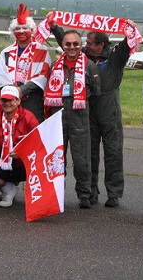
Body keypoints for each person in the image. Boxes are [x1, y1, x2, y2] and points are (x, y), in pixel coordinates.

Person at [44, 29, 100, 209]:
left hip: (79, 118)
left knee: (81, 160)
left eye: (75, 44)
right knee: (58, 159)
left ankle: (84, 194)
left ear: (81, 45)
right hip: (58, 116)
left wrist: (80, 98)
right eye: (68, 44)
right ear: (63, 46)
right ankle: (57, 193)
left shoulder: (89, 65)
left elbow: (96, 91)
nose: (72, 47)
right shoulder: (55, 65)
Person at [83, 26, 137, 208]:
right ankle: (91, 191)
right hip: (89, 108)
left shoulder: (115, 56)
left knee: (113, 152)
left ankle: (113, 193)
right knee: (90, 152)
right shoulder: (84, 55)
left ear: (101, 45)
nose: (86, 46)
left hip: (109, 109)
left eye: (90, 43)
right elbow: (66, 44)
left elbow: (129, 43)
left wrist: (130, 28)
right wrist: (55, 28)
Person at [0, 86, 39, 207]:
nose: (7, 103)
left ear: (18, 101)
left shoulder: (29, 118)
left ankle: (35, 195)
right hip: (3, 165)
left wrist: (23, 152)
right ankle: (8, 189)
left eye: (11, 100)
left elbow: (38, 144)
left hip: (24, 165)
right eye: (4, 100)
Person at [0, 4, 52, 122]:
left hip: (32, 100)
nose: (21, 31)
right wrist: (13, 90)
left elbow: (43, 76)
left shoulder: (41, 50)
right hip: (10, 98)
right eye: (17, 29)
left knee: (32, 132)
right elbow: (0, 75)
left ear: (31, 30)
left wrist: (22, 90)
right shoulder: (6, 52)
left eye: (25, 28)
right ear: (13, 32)